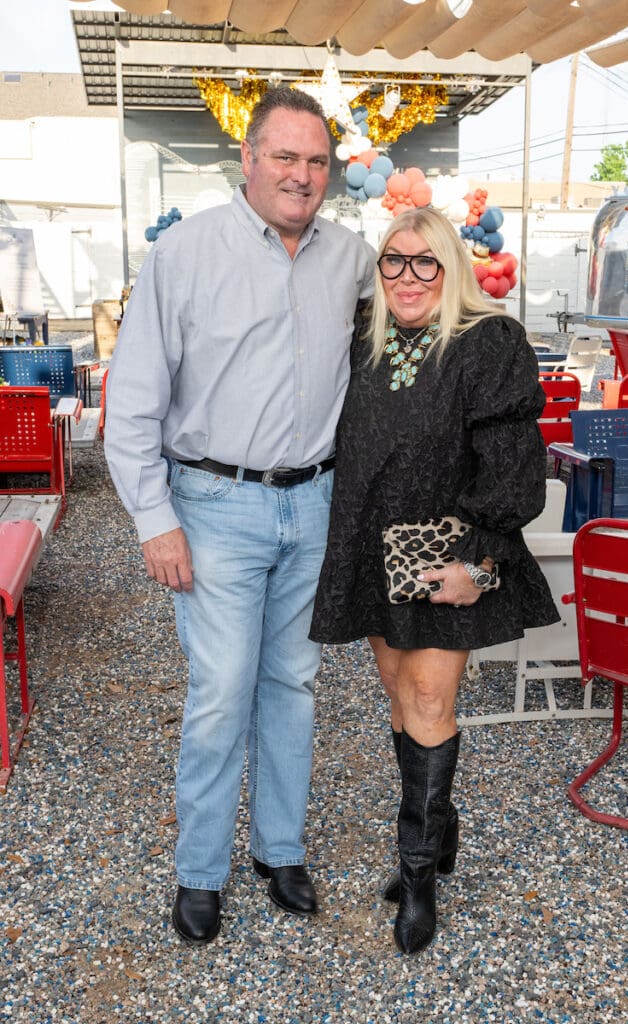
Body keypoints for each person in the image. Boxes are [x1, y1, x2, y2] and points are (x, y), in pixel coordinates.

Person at [104, 86, 375, 945]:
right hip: (214, 507)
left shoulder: (352, 259)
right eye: (285, 156)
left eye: (317, 161)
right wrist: (154, 518)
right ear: (249, 159)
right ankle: (200, 871)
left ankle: (279, 851)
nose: (302, 175)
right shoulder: (185, 253)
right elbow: (132, 401)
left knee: (292, 683)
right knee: (222, 691)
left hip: (315, 501)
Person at [310, 207, 559, 955]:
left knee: (426, 698)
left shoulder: (488, 342)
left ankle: (417, 876)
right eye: (394, 260)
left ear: (451, 268)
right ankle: (438, 833)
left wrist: (480, 566)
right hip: (372, 552)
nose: (408, 276)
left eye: (426, 262)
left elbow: (514, 469)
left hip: (444, 554)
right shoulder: (367, 337)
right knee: (398, 693)